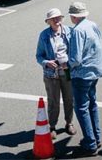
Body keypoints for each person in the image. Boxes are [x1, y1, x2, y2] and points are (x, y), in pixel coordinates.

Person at [67, 2, 102, 158]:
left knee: (81, 108)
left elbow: (75, 58)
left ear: (73, 16)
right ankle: (96, 138)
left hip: (82, 74)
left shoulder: (77, 31)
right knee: (92, 104)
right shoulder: (92, 24)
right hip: (96, 71)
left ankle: (90, 144)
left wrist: (65, 65)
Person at [35, 8, 76, 140]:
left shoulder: (69, 31)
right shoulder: (44, 35)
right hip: (51, 74)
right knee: (53, 101)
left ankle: (69, 123)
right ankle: (52, 126)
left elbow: (76, 50)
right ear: (48, 22)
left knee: (69, 98)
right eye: (54, 18)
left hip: (67, 71)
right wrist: (46, 62)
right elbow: (39, 56)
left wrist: (70, 62)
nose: (57, 20)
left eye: (59, 17)